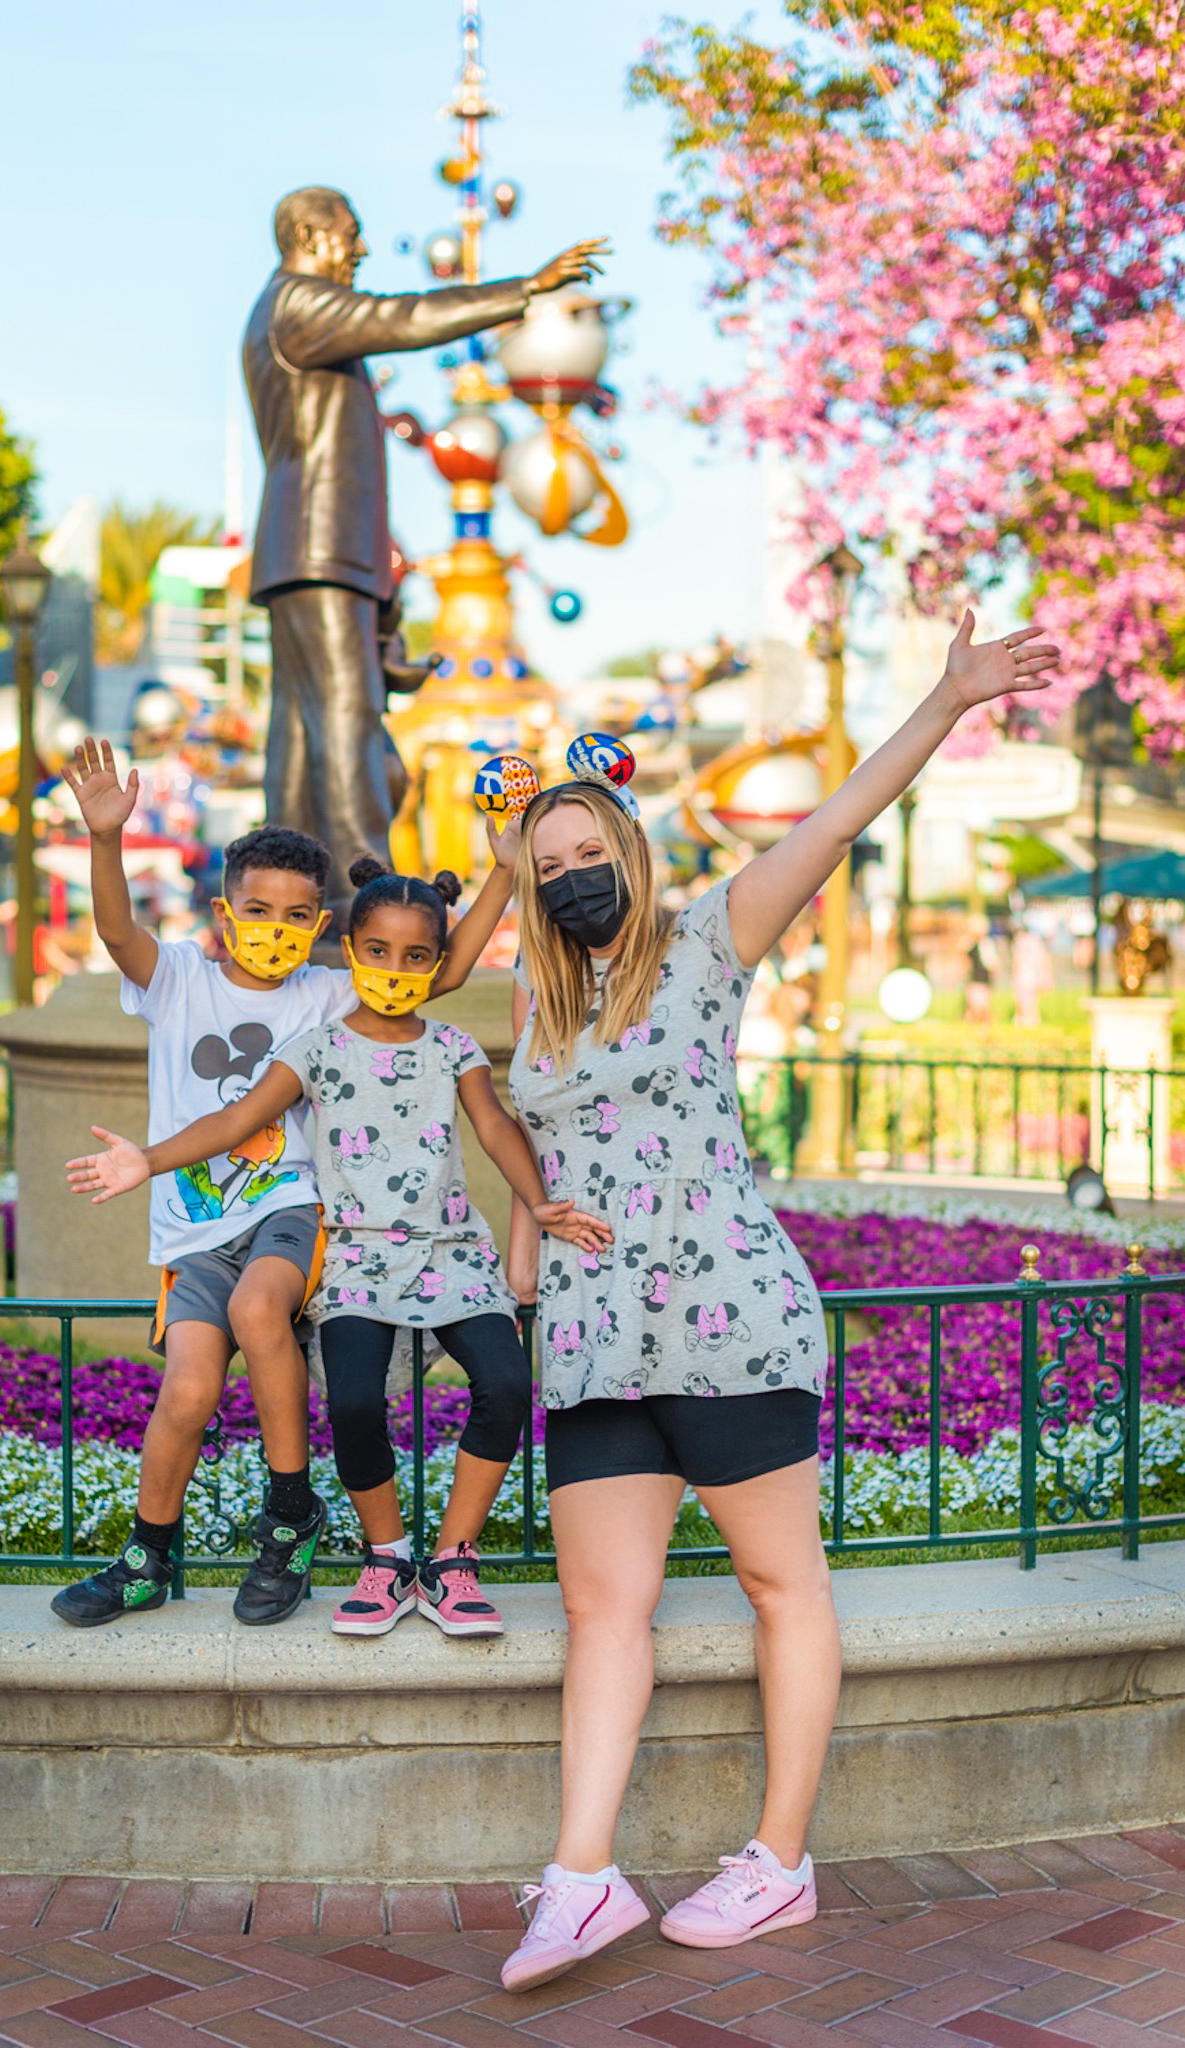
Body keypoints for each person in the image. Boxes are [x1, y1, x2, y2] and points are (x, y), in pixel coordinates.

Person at [499, 612, 1060, 1991]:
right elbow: (530, 1129)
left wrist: (944, 700)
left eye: (590, 857)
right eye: (549, 867)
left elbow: (837, 815)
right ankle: (580, 1880)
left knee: (773, 1579)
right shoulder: (532, 994)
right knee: (602, 1608)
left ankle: (779, 1860)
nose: (573, 882)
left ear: (628, 852)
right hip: (590, 1336)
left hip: (721, 1315)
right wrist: (526, 1226)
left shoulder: (706, 938)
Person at [66, 856, 612, 1638]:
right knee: (198, 1393)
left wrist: (500, 869)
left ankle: (343, 1530)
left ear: (322, 932)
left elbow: (485, 1093)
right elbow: (227, 1108)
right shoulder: (266, 1015)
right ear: (349, 949)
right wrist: (144, 1160)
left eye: (295, 917)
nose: (392, 970)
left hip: (352, 1226)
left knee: (284, 1317)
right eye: (257, 911)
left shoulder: (392, 1020)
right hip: (239, 1238)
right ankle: (163, 1556)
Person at [243, 183, 609, 909]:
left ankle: (281, 894)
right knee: (345, 721)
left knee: (299, 732)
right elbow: (401, 316)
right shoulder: (298, 304)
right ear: (311, 237)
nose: (361, 248)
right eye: (350, 233)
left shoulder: (282, 312)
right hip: (321, 549)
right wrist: (525, 291)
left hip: (304, 549)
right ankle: (357, 895)